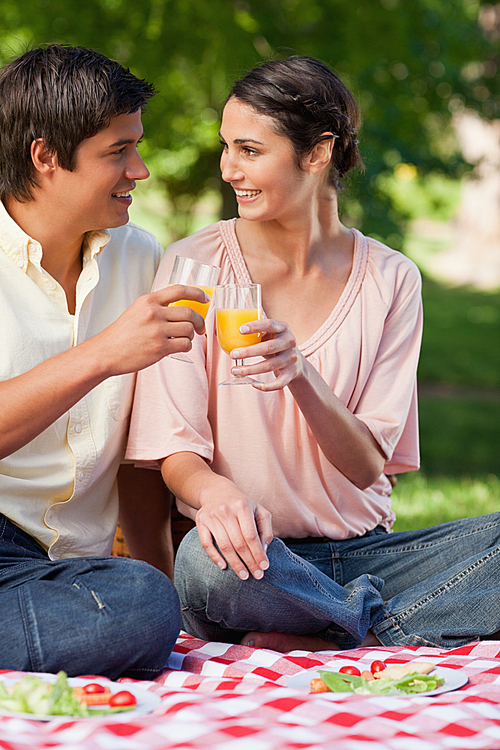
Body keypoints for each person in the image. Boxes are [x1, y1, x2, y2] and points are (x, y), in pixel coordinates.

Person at [127, 56, 500, 652]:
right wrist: (215, 494)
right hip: (251, 559)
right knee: (202, 564)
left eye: (249, 151)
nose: (228, 170)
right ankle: (388, 624)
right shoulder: (194, 265)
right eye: (226, 148)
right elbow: (176, 451)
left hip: (366, 553)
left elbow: (367, 466)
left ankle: (324, 629)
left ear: (318, 152)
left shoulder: (391, 278)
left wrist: (300, 374)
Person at [0, 44, 210, 678]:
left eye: (136, 147)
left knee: (144, 604)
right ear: (45, 158)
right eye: (118, 151)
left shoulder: (140, 259)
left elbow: (140, 446)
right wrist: (102, 355)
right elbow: (108, 363)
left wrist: (161, 586)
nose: (139, 170)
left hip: (69, 571)